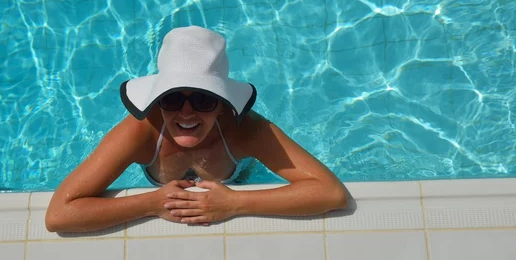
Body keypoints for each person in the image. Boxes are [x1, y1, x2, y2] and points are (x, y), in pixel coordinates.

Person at [45, 26, 347, 232]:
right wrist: (152, 203)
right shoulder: (141, 131)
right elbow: (60, 214)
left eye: (203, 99)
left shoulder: (247, 130)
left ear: (221, 103)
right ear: (158, 100)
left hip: (239, 182)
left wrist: (236, 203)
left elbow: (331, 193)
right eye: (173, 98)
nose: (186, 112)